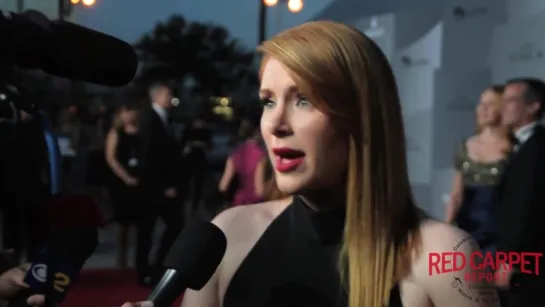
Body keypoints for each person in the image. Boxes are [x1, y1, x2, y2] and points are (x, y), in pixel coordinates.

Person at [123, 21, 498, 307]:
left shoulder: (445, 257)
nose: (275, 124)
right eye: (268, 101)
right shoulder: (230, 234)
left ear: (361, 116)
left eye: (303, 100)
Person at [495, 77, 545, 306]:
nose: (502, 107)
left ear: (533, 106)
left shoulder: (537, 147)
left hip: (527, 268)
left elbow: (524, 209)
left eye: (511, 100)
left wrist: (511, 261)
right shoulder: (524, 145)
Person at [445, 85, 511, 254]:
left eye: (491, 104)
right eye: (481, 103)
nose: (483, 109)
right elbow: (456, 196)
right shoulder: (465, 146)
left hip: (501, 235)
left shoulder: (514, 148)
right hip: (468, 232)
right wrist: (446, 229)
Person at [137, 82, 184, 286]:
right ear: (156, 96)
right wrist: (164, 185)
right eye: (167, 93)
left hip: (161, 186)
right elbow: (149, 156)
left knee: (173, 225)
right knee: (147, 230)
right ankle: (147, 272)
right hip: (153, 188)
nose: (171, 97)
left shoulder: (166, 119)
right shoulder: (150, 119)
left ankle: (157, 268)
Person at [104, 103, 143, 270]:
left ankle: (137, 258)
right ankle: (121, 258)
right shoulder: (115, 132)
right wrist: (126, 177)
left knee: (139, 221)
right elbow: (111, 157)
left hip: (140, 180)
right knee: (122, 222)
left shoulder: (142, 132)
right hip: (121, 182)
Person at [218, 117, 267, 206]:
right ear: (258, 133)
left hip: (238, 202)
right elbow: (259, 191)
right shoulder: (260, 155)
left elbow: (223, 186)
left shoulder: (235, 154)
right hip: (254, 205)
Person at [180, 115, 212, 215]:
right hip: (188, 161)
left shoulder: (206, 132)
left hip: (200, 160)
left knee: (198, 184)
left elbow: (209, 146)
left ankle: (195, 206)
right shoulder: (188, 131)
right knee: (186, 183)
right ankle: (185, 204)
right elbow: (183, 145)